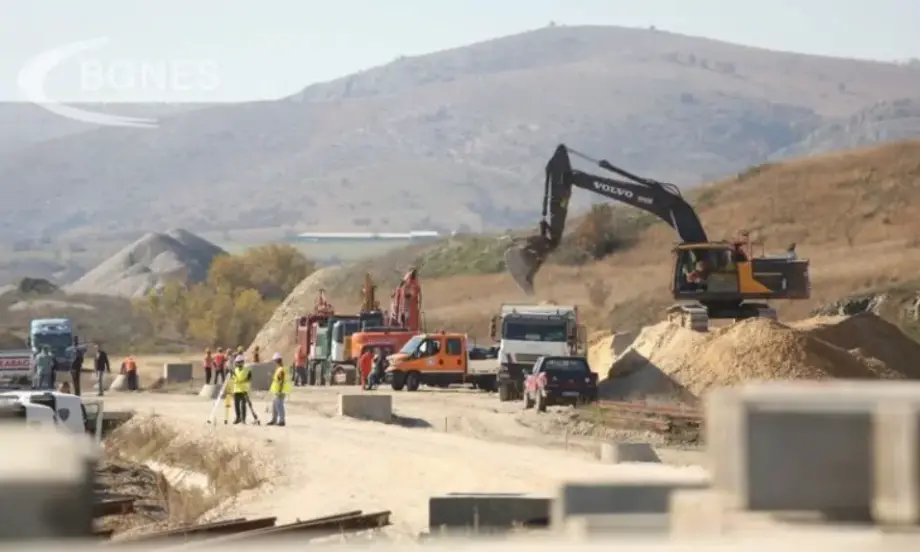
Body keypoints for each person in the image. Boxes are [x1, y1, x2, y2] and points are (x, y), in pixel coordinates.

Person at [267, 352, 292, 427]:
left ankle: (282, 421)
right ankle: (274, 420)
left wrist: (279, 391)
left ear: (276, 361)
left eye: (274, 361)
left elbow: (281, 381)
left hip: (280, 391)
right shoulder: (279, 369)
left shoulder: (281, 369)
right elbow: (278, 379)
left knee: (279, 406)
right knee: (275, 406)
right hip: (277, 390)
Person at [231, 355, 252, 424]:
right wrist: (234, 378)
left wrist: (244, 381)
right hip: (236, 390)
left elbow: (249, 378)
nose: (239, 363)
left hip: (243, 390)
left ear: (243, 362)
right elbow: (233, 378)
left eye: (240, 362)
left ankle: (243, 419)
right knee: (236, 405)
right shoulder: (235, 370)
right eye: (238, 362)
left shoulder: (247, 370)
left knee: (243, 405)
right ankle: (238, 417)